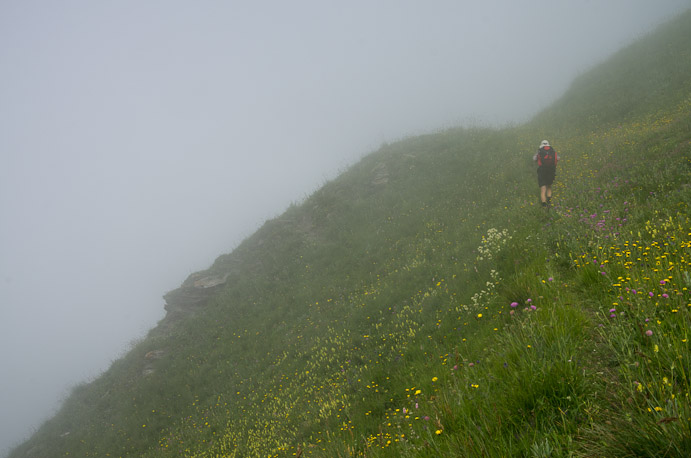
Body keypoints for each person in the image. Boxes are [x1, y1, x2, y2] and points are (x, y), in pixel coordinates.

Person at [533, 140, 558, 208]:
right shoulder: (552, 151)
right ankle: (549, 202)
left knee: (543, 189)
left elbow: (534, 159)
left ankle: (544, 205)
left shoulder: (539, 151)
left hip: (542, 171)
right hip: (551, 170)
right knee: (549, 186)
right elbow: (557, 158)